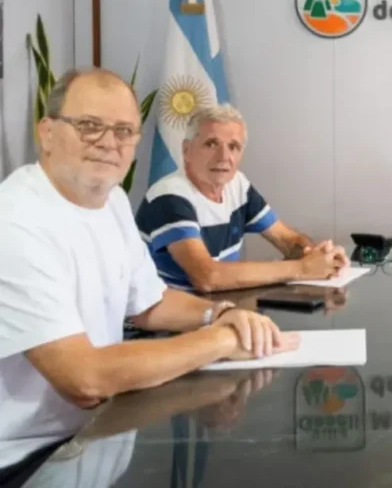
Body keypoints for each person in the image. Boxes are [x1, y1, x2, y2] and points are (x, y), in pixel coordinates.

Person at [0, 69, 297, 475]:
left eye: (124, 131)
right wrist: (222, 339)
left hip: (94, 434)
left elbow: (149, 303)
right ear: (47, 133)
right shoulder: (15, 222)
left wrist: (222, 314)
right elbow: (84, 379)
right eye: (89, 126)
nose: (108, 143)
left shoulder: (113, 201)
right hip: (24, 459)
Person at [135, 104, 348, 292]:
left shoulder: (237, 185)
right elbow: (207, 277)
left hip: (221, 309)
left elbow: (287, 241)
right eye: (211, 144)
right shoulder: (169, 196)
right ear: (186, 150)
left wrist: (318, 257)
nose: (224, 157)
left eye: (233, 147)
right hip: (171, 319)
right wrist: (301, 268)